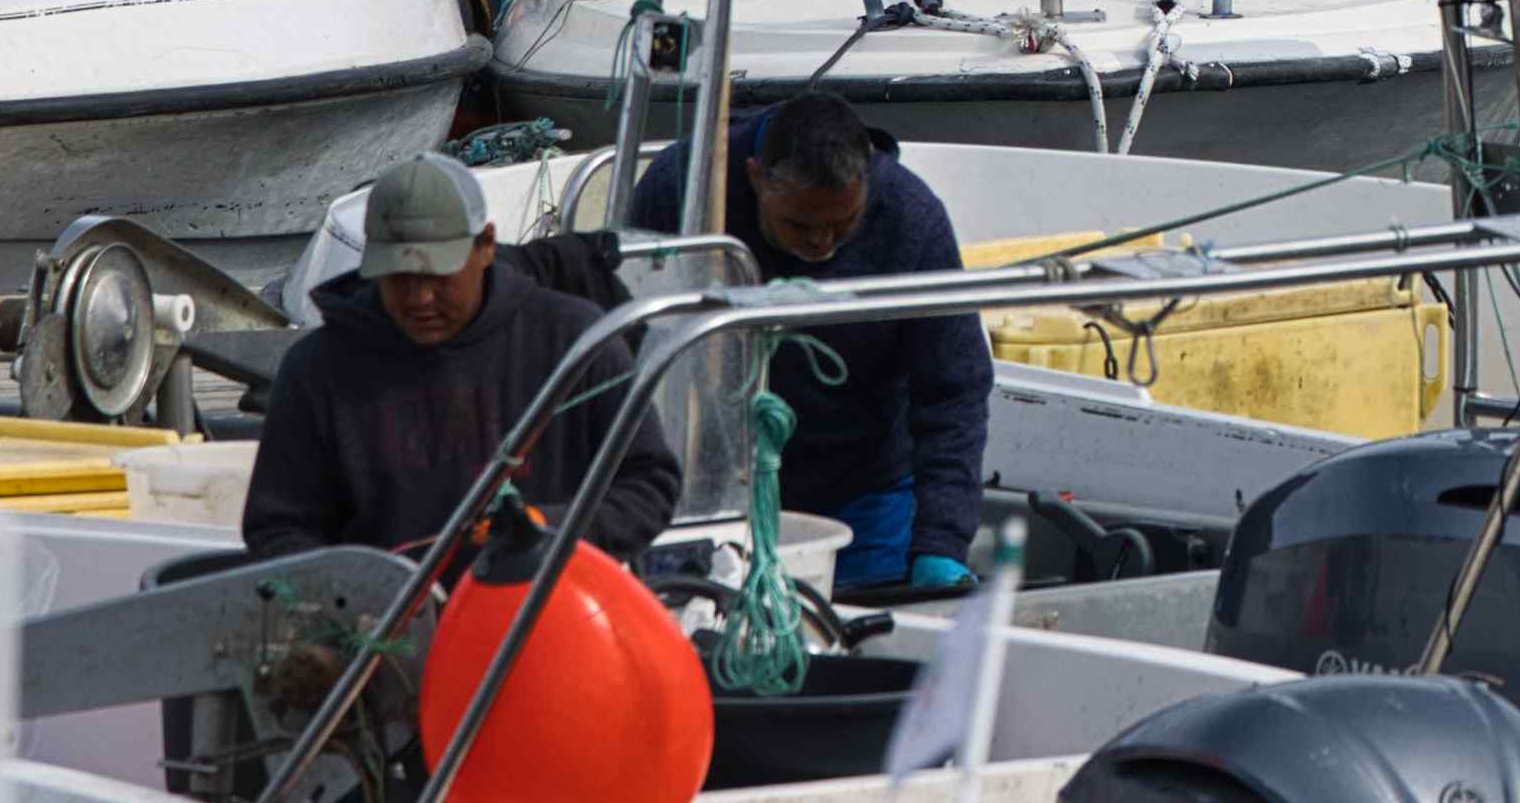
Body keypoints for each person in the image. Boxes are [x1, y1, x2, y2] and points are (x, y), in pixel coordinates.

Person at [243, 149, 677, 565]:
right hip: (383, 612)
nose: (420, 298)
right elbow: (278, 527)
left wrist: (550, 531)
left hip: (545, 601)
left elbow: (648, 484)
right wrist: (349, 593)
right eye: (399, 277)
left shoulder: (577, 341)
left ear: (486, 244)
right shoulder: (316, 369)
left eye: (438, 275)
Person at [635, 96, 985, 601]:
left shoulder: (910, 219)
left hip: (864, 490)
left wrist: (943, 540)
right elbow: (628, 348)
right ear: (756, 178)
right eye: (800, 224)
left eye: (843, 223)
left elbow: (954, 388)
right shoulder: (683, 188)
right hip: (705, 484)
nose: (822, 241)